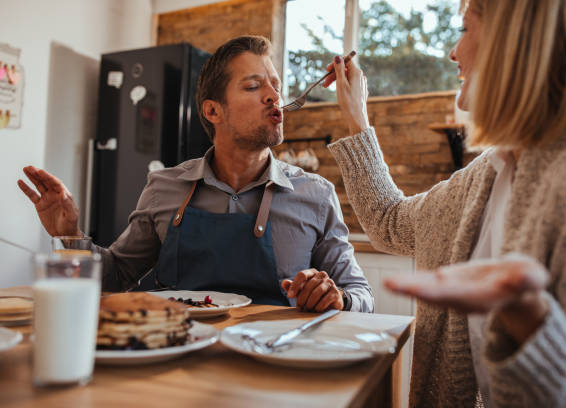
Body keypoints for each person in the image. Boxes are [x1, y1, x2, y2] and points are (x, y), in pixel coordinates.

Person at [325, 0, 566, 406]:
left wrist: (530, 322)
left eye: (463, 29)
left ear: (512, 39)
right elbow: (387, 219)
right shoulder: (486, 174)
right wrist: (357, 115)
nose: (453, 52)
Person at [18, 35, 373, 313]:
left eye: (275, 87)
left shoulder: (316, 194)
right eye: (253, 87)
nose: (273, 97)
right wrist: (69, 234)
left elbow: (362, 296)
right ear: (212, 110)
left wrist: (337, 297)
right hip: (176, 360)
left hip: (276, 370)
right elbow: (114, 276)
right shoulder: (164, 187)